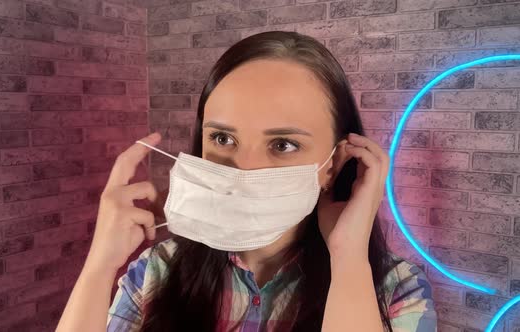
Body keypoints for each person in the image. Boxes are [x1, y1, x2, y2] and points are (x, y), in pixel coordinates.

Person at [56, 31, 437, 332]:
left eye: (283, 144)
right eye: (222, 138)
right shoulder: (156, 272)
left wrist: (348, 260)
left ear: (333, 164)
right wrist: (99, 266)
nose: (243, 169)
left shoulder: (395, 291)